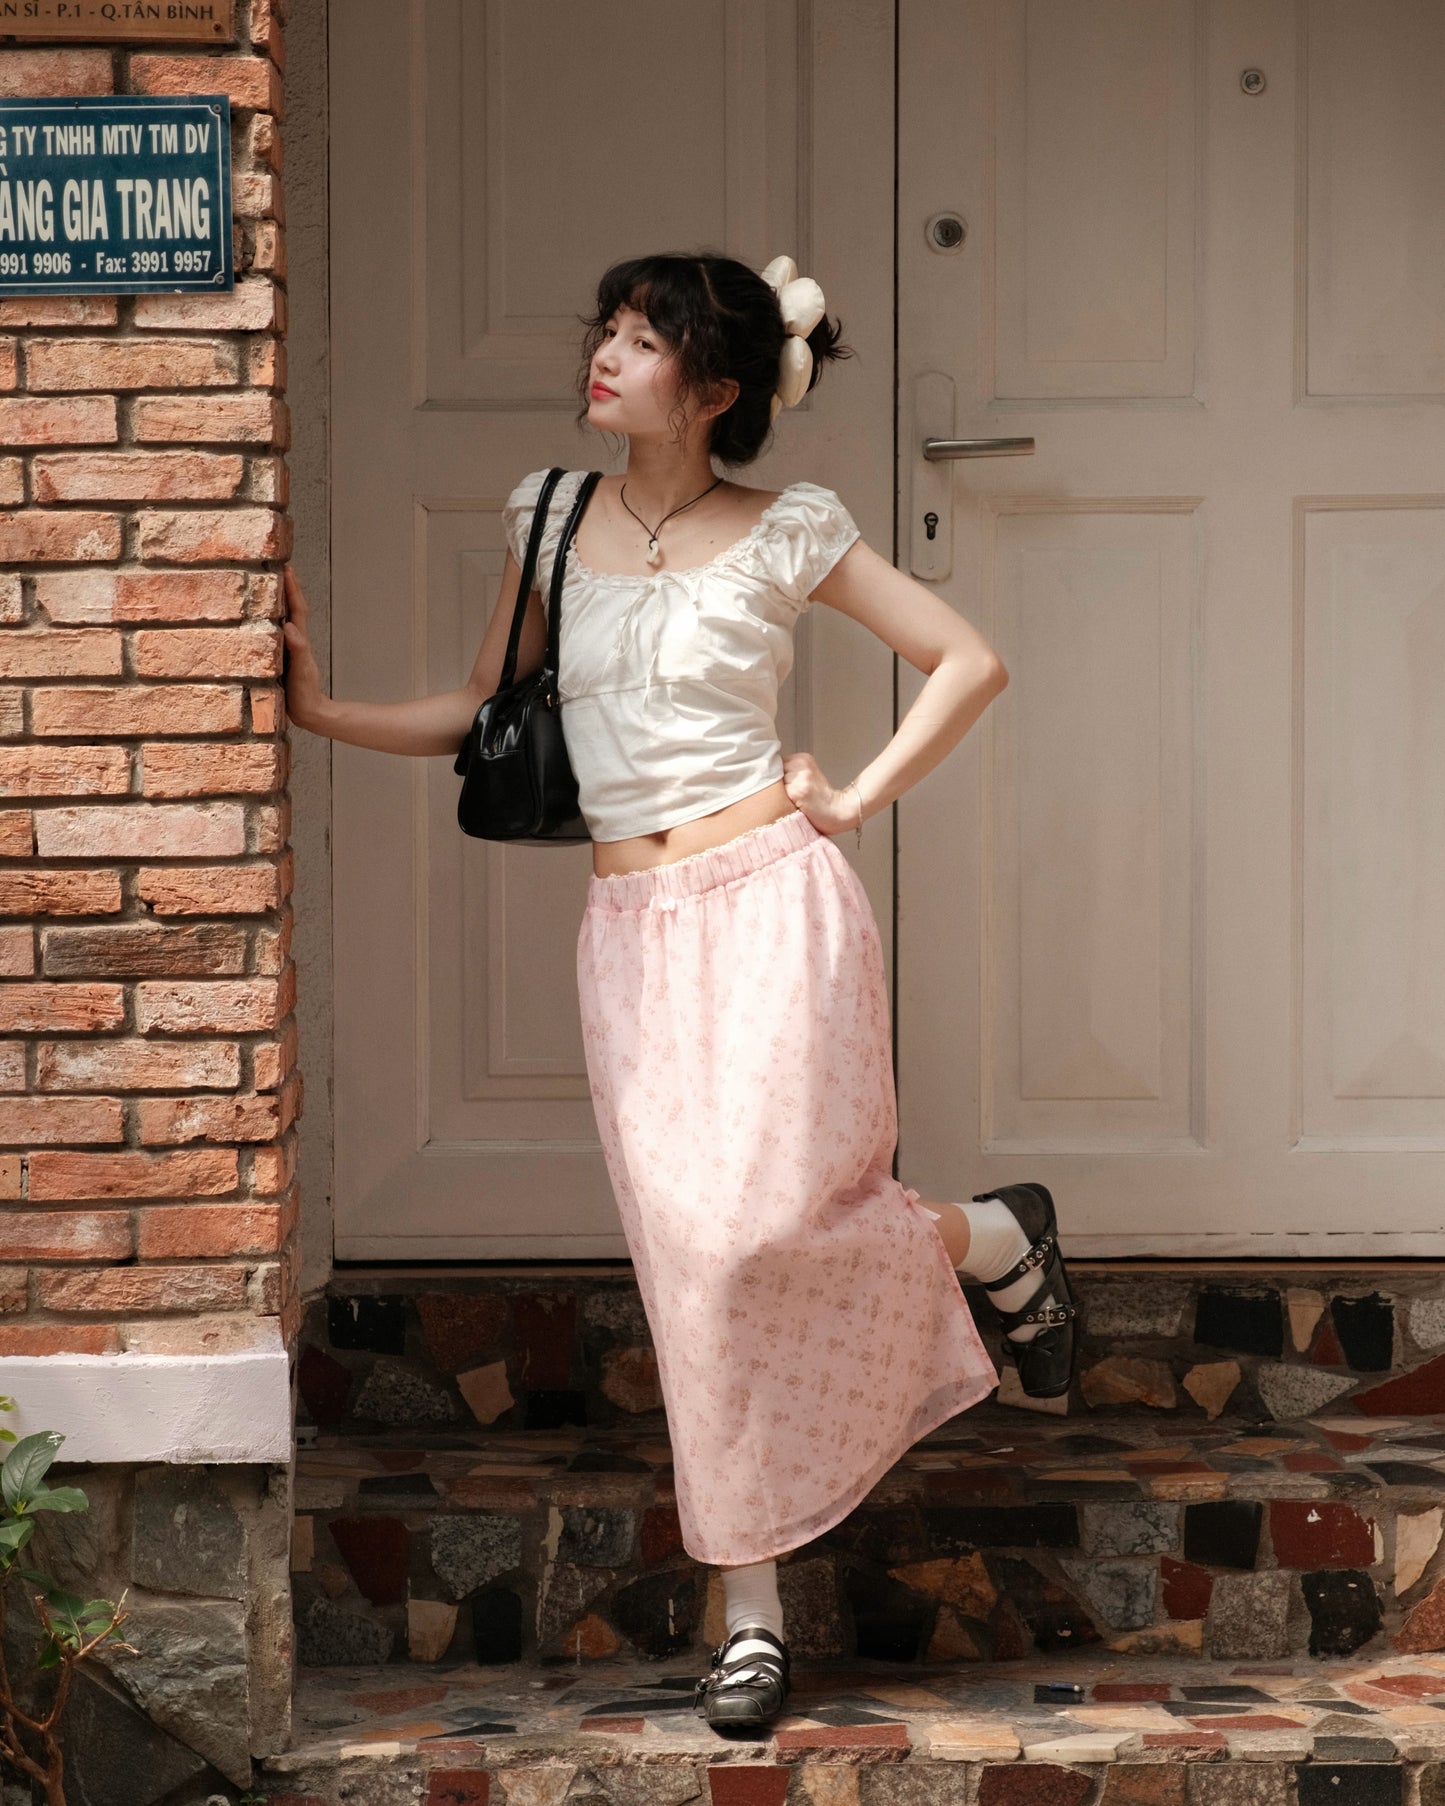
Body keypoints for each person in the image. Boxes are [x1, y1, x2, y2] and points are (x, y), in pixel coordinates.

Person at [281, 251, 1076, 1734]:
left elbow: (966, 659)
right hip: (631, 930)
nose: (604, 354)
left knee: (763, 1223)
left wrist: (853, 795)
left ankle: (985, 1233)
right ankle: (755, 1611)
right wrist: (321, 710)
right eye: (607, 329)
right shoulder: (551, 516)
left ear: (711, 389)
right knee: (689, 1265)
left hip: (773, 904)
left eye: (641, 341)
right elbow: (480, 706)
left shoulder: (791, 532)